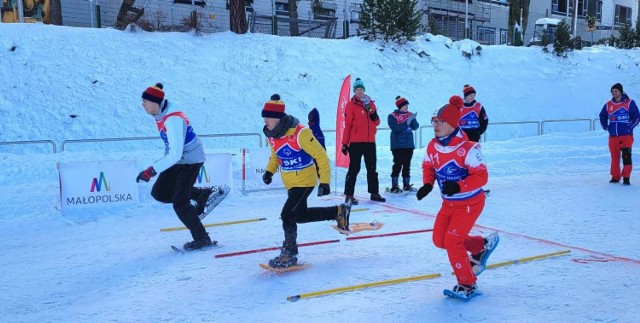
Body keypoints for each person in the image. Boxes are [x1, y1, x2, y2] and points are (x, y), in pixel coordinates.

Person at [416, 95, 499, 298]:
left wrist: (459, 185)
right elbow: (429, 166)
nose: (435, 125)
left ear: (452, 123)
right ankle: (481, 246)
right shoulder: (432, 146)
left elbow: (481, 176)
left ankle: (467, 284)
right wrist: (428, 184)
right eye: (433, 121)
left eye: (440, 121)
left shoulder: (469, 149)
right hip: (449, 203)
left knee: (453, 242)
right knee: (439, 240)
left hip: (470, 203)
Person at [261, 94, 351, 269]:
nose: (265, 120)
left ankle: (289, 253)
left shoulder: (300, 133)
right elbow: (275, 156)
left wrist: (324, 181)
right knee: (299, 216)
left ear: (278, 118)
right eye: (264, 116)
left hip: (306, 180)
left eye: (268, 116)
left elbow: (321, 155)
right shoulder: (271, 134)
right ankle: (338, 212)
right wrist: (269, 171)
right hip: (290, 181)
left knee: (287, 214)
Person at [136, 83, 215, 251]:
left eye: (145, 101)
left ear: (155, 102)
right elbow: (173, 150)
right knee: (159, 192)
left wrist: (151, 171)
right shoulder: (161, 112)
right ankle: (202, 194)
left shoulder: (172, 119)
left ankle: (202, 239)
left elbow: (175, 154)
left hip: (190, 160)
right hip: (178, 158)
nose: (142, 105)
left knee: (180, 203)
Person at [341, 78, 386, 204]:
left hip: (370, 141)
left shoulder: (370, 104)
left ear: (364, 90)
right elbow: (348, 125)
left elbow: (377, 122)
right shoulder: (351, 105)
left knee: (372, 168)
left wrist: (373, 115)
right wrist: (345, 143)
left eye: (361, 89)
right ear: (354, 91)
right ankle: (349, 194)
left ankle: (374, 193)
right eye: (357, 89)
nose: (359, 91)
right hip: (355, 142)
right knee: (354, 168)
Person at [599, 83, 639, 185]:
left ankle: (626, 177)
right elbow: (602, 116)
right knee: (615, 157)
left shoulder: (629, 103)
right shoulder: (608, 104)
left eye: (616, 91)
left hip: (626, 136)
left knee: (626, 157)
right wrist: (606, 126)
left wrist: (630, 127)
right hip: (613, 136)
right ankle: (615, 177)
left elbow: (637, 116)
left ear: (620, 91)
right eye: (612, 91)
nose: (614, 93)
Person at [387, 96, 419, 193]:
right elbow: (396, 128)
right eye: (405, 105)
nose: (406, 107)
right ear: (400, 106)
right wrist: (407, 122)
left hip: (409, 144)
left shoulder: (409, 114)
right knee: (398, 164)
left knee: (407, 165)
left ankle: (406, 185)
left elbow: (415, 127)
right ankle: (394, 186)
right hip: (398, 145)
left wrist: (413, 119)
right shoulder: (392, 116)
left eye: (407, 105)